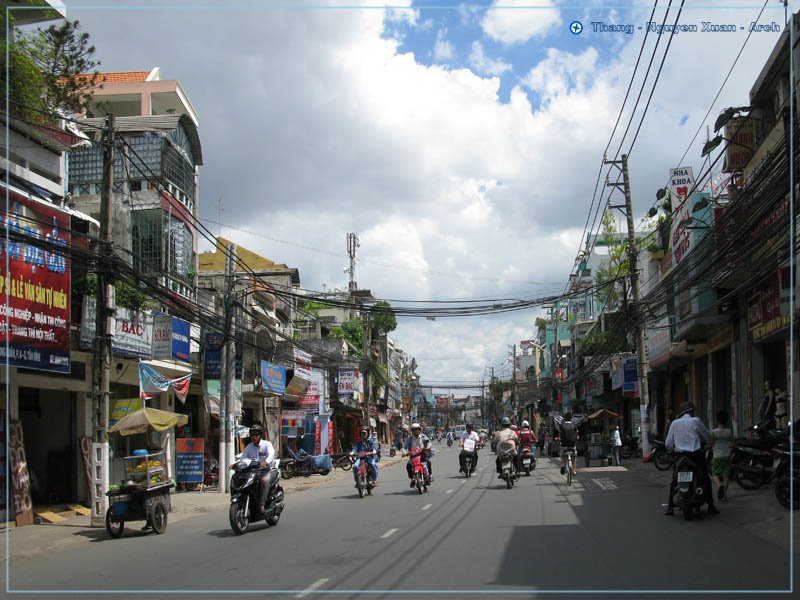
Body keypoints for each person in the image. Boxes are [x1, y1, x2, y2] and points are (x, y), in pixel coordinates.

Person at [664, 401, 719, 516]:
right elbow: (708, 437)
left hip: (680, 456)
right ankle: (711, 505)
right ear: (691, 411)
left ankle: (670, 508)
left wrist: (674, 449)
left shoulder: (675, 423)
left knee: (674, 481)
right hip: (696, 456)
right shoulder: (696, 421)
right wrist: (707, 444)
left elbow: (668, 444)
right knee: (705, 478)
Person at [238, 424, 276, 514]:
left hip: (266, 471)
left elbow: (271, 454)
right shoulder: (249, 447)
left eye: (256, 435)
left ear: (260, 435)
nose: (254, 437)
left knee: (264, 481)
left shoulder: (267, 444)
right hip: (253, 472)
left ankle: (262, 505)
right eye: (252, 435)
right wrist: (237, 463)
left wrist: (266, 462)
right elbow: (243, 457)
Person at [710, 410, 735, 502]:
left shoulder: (713, 432)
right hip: (727, 455)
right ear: (727, 420)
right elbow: (733, 443)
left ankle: (719, 485)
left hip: (717, 456)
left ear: (717, 420)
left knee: (714, 473)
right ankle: (724, 496)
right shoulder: (729, 431)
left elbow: (710, 443)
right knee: (726, 476)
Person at [554, 412, 584, 477]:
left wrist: (557, 438)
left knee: (562, 456)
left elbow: (560, 434)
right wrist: (577, 438)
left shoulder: (562, 425)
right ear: (571, 418)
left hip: (564, 445)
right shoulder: (574, 425)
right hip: (572, 445)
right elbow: (577, 435)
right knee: (574, 457)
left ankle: (563, 466)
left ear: (564, 418)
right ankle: (574, 470)